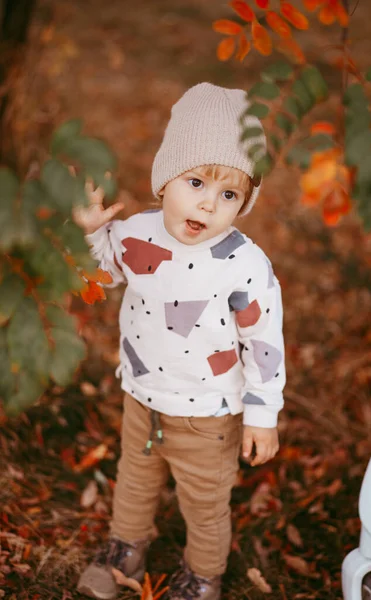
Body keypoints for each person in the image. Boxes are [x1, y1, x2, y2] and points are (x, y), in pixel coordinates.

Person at [75, 82, 286, 600]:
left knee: (205, 501)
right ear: (165, 179)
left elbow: (263, 341)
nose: (209, 203)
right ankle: (125, 546)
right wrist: (89, 233)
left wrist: (262, 414)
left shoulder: (244, 265)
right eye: (196, 182)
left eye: (229, 194)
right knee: (135, 477)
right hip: (142, 396)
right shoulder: (136, 234)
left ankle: (204, 576)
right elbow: (103, 274)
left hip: (208, 414)